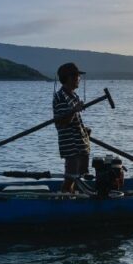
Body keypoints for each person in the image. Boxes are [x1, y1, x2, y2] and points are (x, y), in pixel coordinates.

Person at [53, 62, 91, 193]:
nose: (79, 79)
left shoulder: (74, 96)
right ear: (70, 78)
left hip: (79, 143)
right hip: (70, 144)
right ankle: (64, 200)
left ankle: (73, 196)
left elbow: (74, 121)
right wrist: (74, 110)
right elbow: (62, 122)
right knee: (71, 176)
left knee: (79, 176)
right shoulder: (60, 96)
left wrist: (84, 131)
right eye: (77, 77)